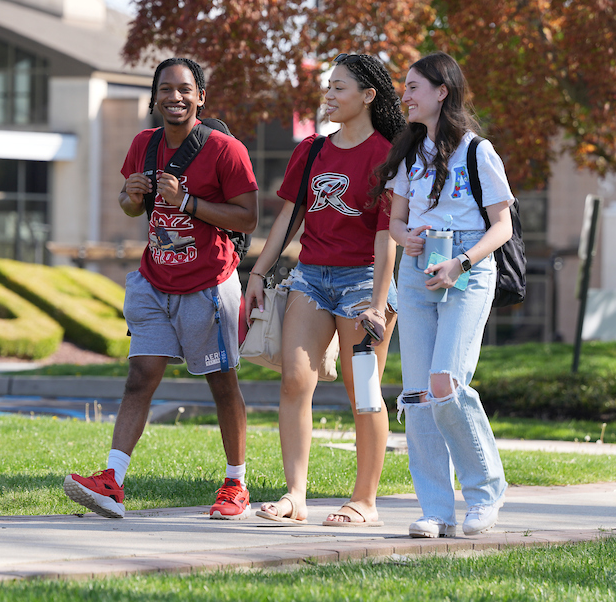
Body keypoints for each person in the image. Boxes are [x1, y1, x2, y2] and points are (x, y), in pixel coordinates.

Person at [63, 57, 259, 520]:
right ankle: (112, 481)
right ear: (154, 97)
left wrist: (187, 201)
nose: (175, 97)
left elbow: (248, 217)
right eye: (166, 89)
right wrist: (130, 198)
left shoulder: (225, 150)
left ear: (201, 96)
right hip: (154, 281)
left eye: (185, 89)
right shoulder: (143, 145)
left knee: (222, 384)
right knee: (140, 377)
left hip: (207, 285)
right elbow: (132, 209)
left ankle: (235, 483)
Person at [243, 52, 405, 526]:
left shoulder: (389, 157)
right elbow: (289, 219)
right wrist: (258, 273)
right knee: (295, 378)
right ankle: (295, 496)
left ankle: (365, 501)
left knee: (365, 394)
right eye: (328, 87)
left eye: (339, 88)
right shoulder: (312, 150)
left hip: (362, 282)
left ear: (368, 95)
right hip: (310, 277)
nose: (329, 95)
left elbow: (385, 234)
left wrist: (378, 302)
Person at [376, 51, 514, 538]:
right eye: (404, 86)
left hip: (467, 269)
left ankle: (485, 492)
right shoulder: (409, 153)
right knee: (416, 396)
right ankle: (435, 509)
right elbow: (394, 221)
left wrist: (462, 261)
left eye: (414, 86)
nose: (405, 95)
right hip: (416, 271)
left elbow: (502, 226)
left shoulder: (479, 152)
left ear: (442, 92)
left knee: (444, 384)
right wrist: (405, 238)